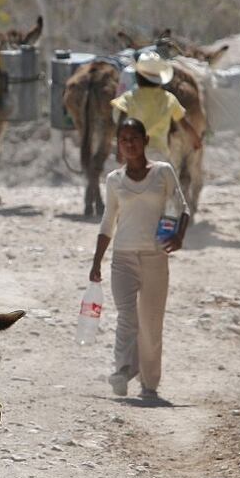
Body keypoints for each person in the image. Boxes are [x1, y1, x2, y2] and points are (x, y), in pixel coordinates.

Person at [88, 119, 190, 400]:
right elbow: (108, 222)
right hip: (122, 257)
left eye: (134, 138)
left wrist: (179, 236)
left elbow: (182, 209)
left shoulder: (163, 173)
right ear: (118, 145)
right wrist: (97, 262)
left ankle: (149, 383)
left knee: (151, 323)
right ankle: (121, 370)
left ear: (145, 140)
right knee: (127, 315)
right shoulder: (114, 180)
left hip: (156, 257)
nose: (129, 144)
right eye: (123, 139)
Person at [112, 51, 202, 164]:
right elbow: (184, 124)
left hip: (134, 152)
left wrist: (119, 150)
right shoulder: (169, 99)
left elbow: (121, 124)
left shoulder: (128, 98)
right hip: (160, 154)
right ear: (160, 79)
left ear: (137, 77)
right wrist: (195, 140)